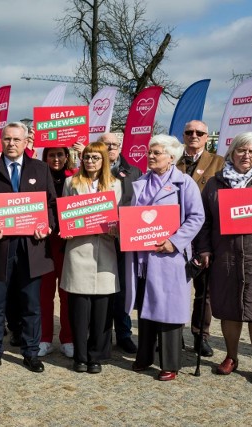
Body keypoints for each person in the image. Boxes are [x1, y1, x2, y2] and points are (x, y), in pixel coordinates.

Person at [194, 132, 252, 386]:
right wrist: (205, 249)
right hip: (227, 256)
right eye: (241, 150)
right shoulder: (215, 182)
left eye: (251, 151)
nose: (246, 155)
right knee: (229, 310)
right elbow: (204, 222)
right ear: (231, 153)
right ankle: (231, 356)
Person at [0, 121, 57, 373]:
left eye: (16, 140)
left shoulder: (40, 169)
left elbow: (51, 205)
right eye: (7, 139)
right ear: (1, 141)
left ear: (26, 142)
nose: (11, 144)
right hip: (0, 247)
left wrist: (48, 226)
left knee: (31, 304)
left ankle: (31, 353)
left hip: (31, 246)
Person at [125, 134, 204, 381]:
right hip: (143, 256)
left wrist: (175, 241)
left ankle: (170, 363)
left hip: (170, 256)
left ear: (171, 157)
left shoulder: (185, 183)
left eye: (156, 152)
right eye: (150, 151)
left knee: (169, 309)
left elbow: (196, 217)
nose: (150, 156)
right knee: (147, 305)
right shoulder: (141, 180)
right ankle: (144, 356)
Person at [60, 142, 121, 373]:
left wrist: (116, 228)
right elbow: (65, 213)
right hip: (78, 250)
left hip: (104, 251)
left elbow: (120, 216)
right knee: (79, 309)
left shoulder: (116, 185)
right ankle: (80, 355)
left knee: (102, 310)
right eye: (87, 157)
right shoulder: (71, 182)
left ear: (104, 159)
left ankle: (96, 356)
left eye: (95, 157)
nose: (91, 161)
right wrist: (68, 227)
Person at [175, 120, 224, 358]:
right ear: (183, 136)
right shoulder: (173, 161)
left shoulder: (219, 162)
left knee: (205, 291)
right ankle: (173, 333)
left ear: (207, 137)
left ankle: (200, 335)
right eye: (189, 132)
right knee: (175, 287)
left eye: (199, 132)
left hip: (206, 234)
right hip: (176, 235)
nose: (194, 136)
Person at [99, 132, 141, 354]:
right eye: (107, 144)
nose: (111, 148)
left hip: (124, 238)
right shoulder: (92, 168)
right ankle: (101, 333)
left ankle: (124, 333)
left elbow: (140, 204)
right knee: (102, 287)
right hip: (99, 237)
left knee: (124, 288)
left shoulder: (134, 171)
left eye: (115, 144)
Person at [38, 146, 74, 358]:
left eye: (60, 154)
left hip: (67, 242)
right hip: (43, 242)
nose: (56, 158)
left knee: (67, 292)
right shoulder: (38, 176)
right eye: (51, 155)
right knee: (44, 293)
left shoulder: (75, 177)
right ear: (46, 158)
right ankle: (44, 338)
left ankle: (68, 338)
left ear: (67, 156)